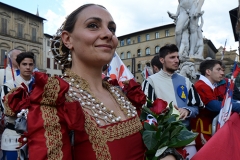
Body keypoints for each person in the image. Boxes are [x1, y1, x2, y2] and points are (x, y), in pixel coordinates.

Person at [2, 4, 148, 160]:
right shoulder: (56, 101)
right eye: (93, 25)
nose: (108, 34)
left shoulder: (122, 94)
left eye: (112, 29)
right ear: (67, 39)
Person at [142, 44, 203, 159]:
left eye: (177, 57)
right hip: (163, 141)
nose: (176, 60)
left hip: (186, 138)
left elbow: (196, 107)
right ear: (162, 60)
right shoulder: (150, 82)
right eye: (172, 57)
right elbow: (145, 111)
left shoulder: (186, 81)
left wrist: (187, 110)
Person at [192, 60, 240, 150]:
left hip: (210, 128)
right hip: (203, 129)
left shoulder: (212, 85)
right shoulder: (201, 86)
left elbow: (225, 100)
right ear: (208, 72)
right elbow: (214, 106)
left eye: (222, 70)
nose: (222, 73)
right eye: (218, 70)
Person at [0, 52, 35, 160]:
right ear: (19, 65)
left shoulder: (38, 85)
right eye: (24, 64)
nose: (28, 67)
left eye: (30, 64)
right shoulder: (8, 85)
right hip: (13, 135)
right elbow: (7, 110)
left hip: (34, 136)